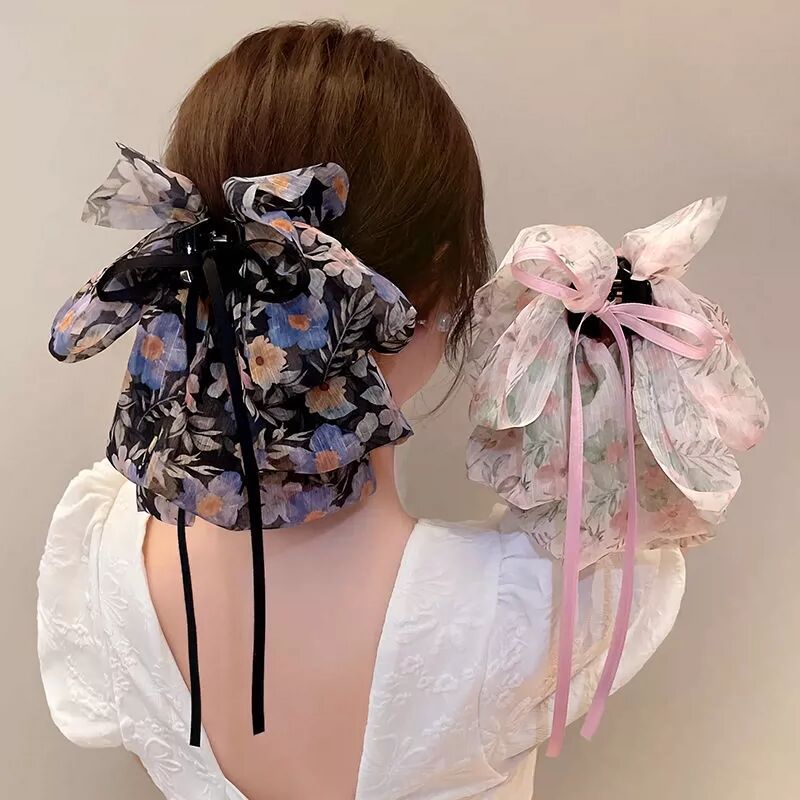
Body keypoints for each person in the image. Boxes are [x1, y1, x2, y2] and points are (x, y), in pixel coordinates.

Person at [37, 21, 687, 800]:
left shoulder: (105, 555)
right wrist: (590, 368)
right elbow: (638, 530)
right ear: (440, 287)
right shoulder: (522, 613)